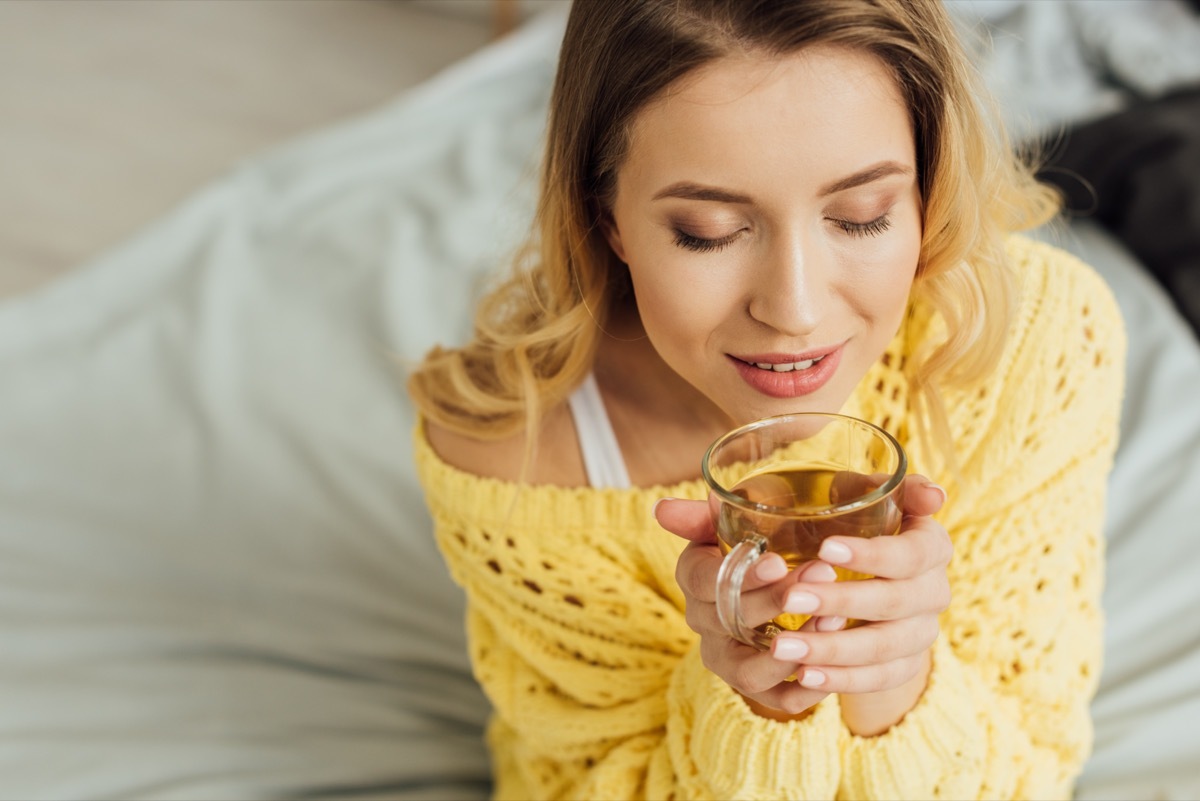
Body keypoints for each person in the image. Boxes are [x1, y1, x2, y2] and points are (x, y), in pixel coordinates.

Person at [408, 0, 1126, 798]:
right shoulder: (516, 453)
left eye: (861, 217)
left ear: (928, 186)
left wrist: (893, 684)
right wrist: (755, 704)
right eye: (709, 231)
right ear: (606, 215)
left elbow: (1032, 768)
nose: (795, 310)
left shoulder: (1037, 339)